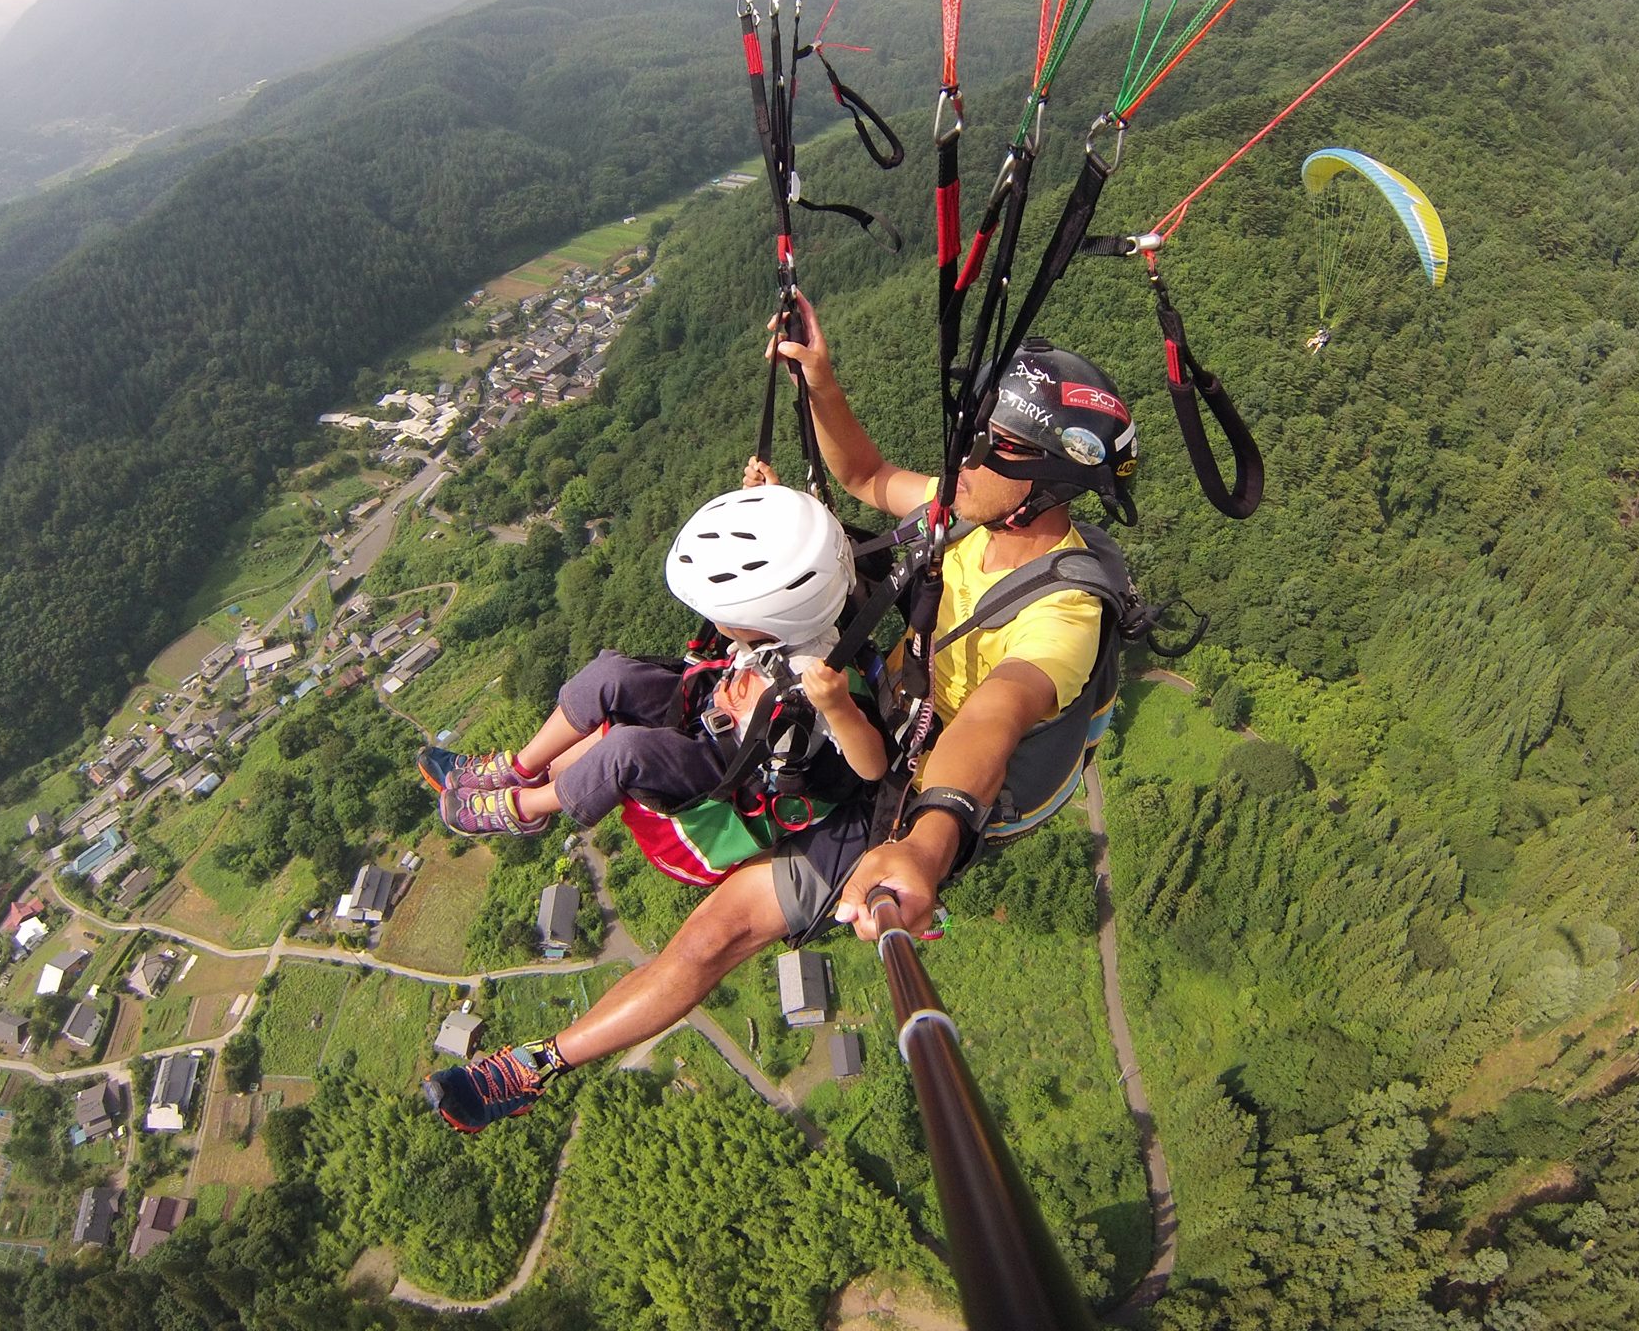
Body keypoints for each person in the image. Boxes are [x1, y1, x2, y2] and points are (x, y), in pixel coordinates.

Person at [423, 295, 1137, 1132]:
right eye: (973, 432)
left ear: (1047, 486)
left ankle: (537, 1064)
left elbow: (992, 722)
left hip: (925, 782)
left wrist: (923, 846)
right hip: (881, 692)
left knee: (718, 930)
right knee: (651, 688)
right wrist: (821, 382)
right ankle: (520, 783)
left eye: (994, 446)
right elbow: (867, 478)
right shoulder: (973, 508)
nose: (966, 456)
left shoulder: (1065, 615)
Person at [418, 481, 888, 840]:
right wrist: (769, 507)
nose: (712, 621)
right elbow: (802, 565)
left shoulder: (819, 675)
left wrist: (838, 709)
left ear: (760, 619)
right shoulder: (798, 610)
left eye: (722, 614)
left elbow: (872, 767)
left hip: (724, 763)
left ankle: (527, 806)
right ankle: (521, 765)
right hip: (712, 705)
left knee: (626, 750)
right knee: (610, 674)